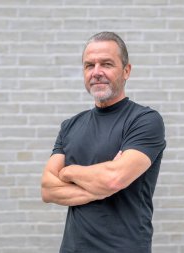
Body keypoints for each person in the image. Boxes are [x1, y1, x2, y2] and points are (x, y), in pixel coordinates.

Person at [41, 31, 166, 253]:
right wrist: (100, 186)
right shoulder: (70, 126)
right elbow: (48, 189)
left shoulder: (144, 120)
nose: (97, 72)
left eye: (106, 64)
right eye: (89, 65)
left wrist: (69, 173)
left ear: (126, 70)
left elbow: (112, 180)